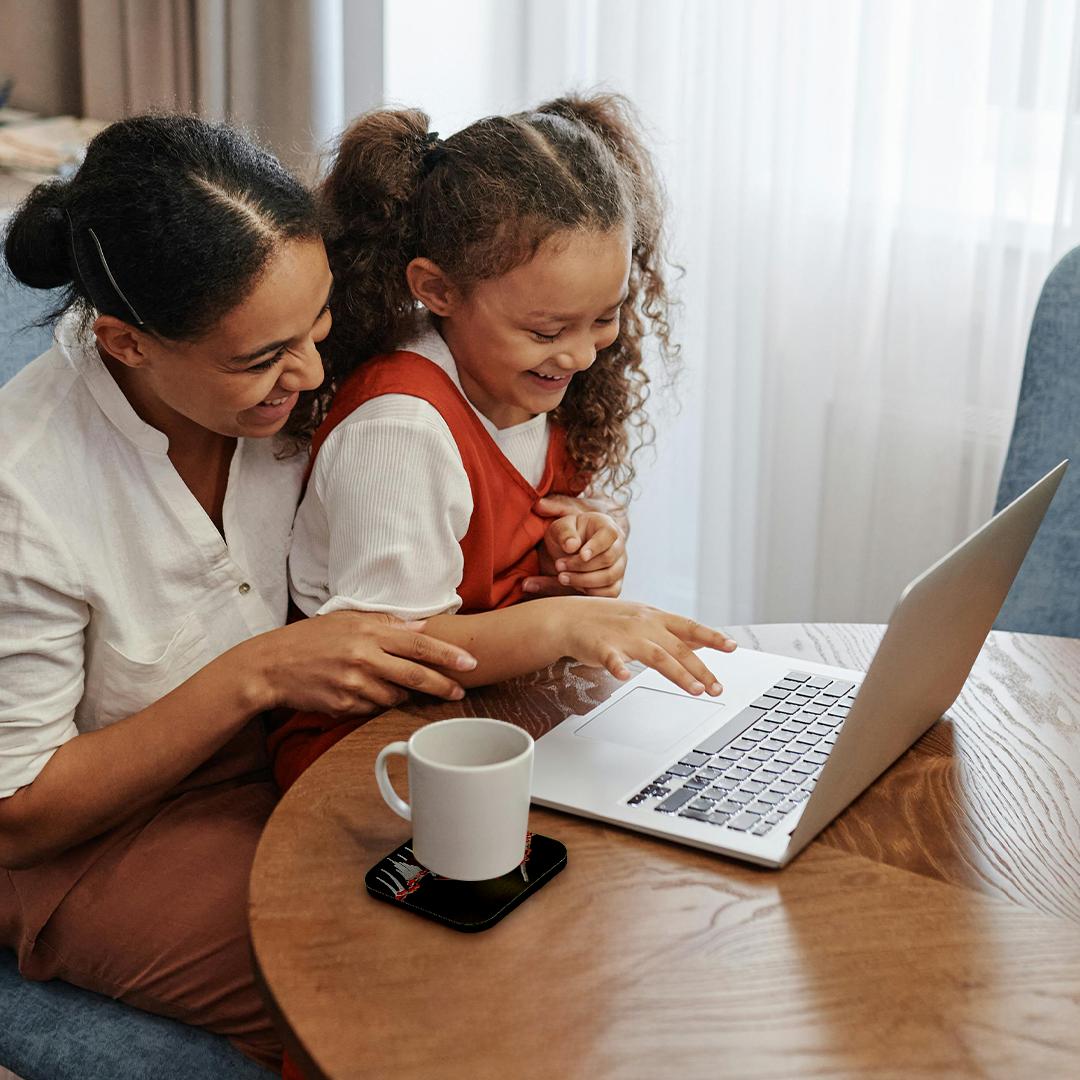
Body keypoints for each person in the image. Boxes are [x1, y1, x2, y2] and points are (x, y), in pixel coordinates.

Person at [0, 114, 479, 1071]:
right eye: (260, 359)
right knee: (393, 993)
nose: (311, 372)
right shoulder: (27, 490)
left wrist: (575, 526)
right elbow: (18, 812)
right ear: (126, 344)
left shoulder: (292, 388)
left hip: (289, 761)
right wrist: (257, 673)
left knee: (512, 908)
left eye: (318, 325)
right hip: (93, 841)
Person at [271, 93, 737, 794]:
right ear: (437, 289)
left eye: (604, 318)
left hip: (494, 715)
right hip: (370, 751)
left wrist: (586, 545)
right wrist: (565, 623)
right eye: (548, 331)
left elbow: (521, 527)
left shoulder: (524, 378)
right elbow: (397, 649)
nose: (581, 355)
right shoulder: (399, 430)